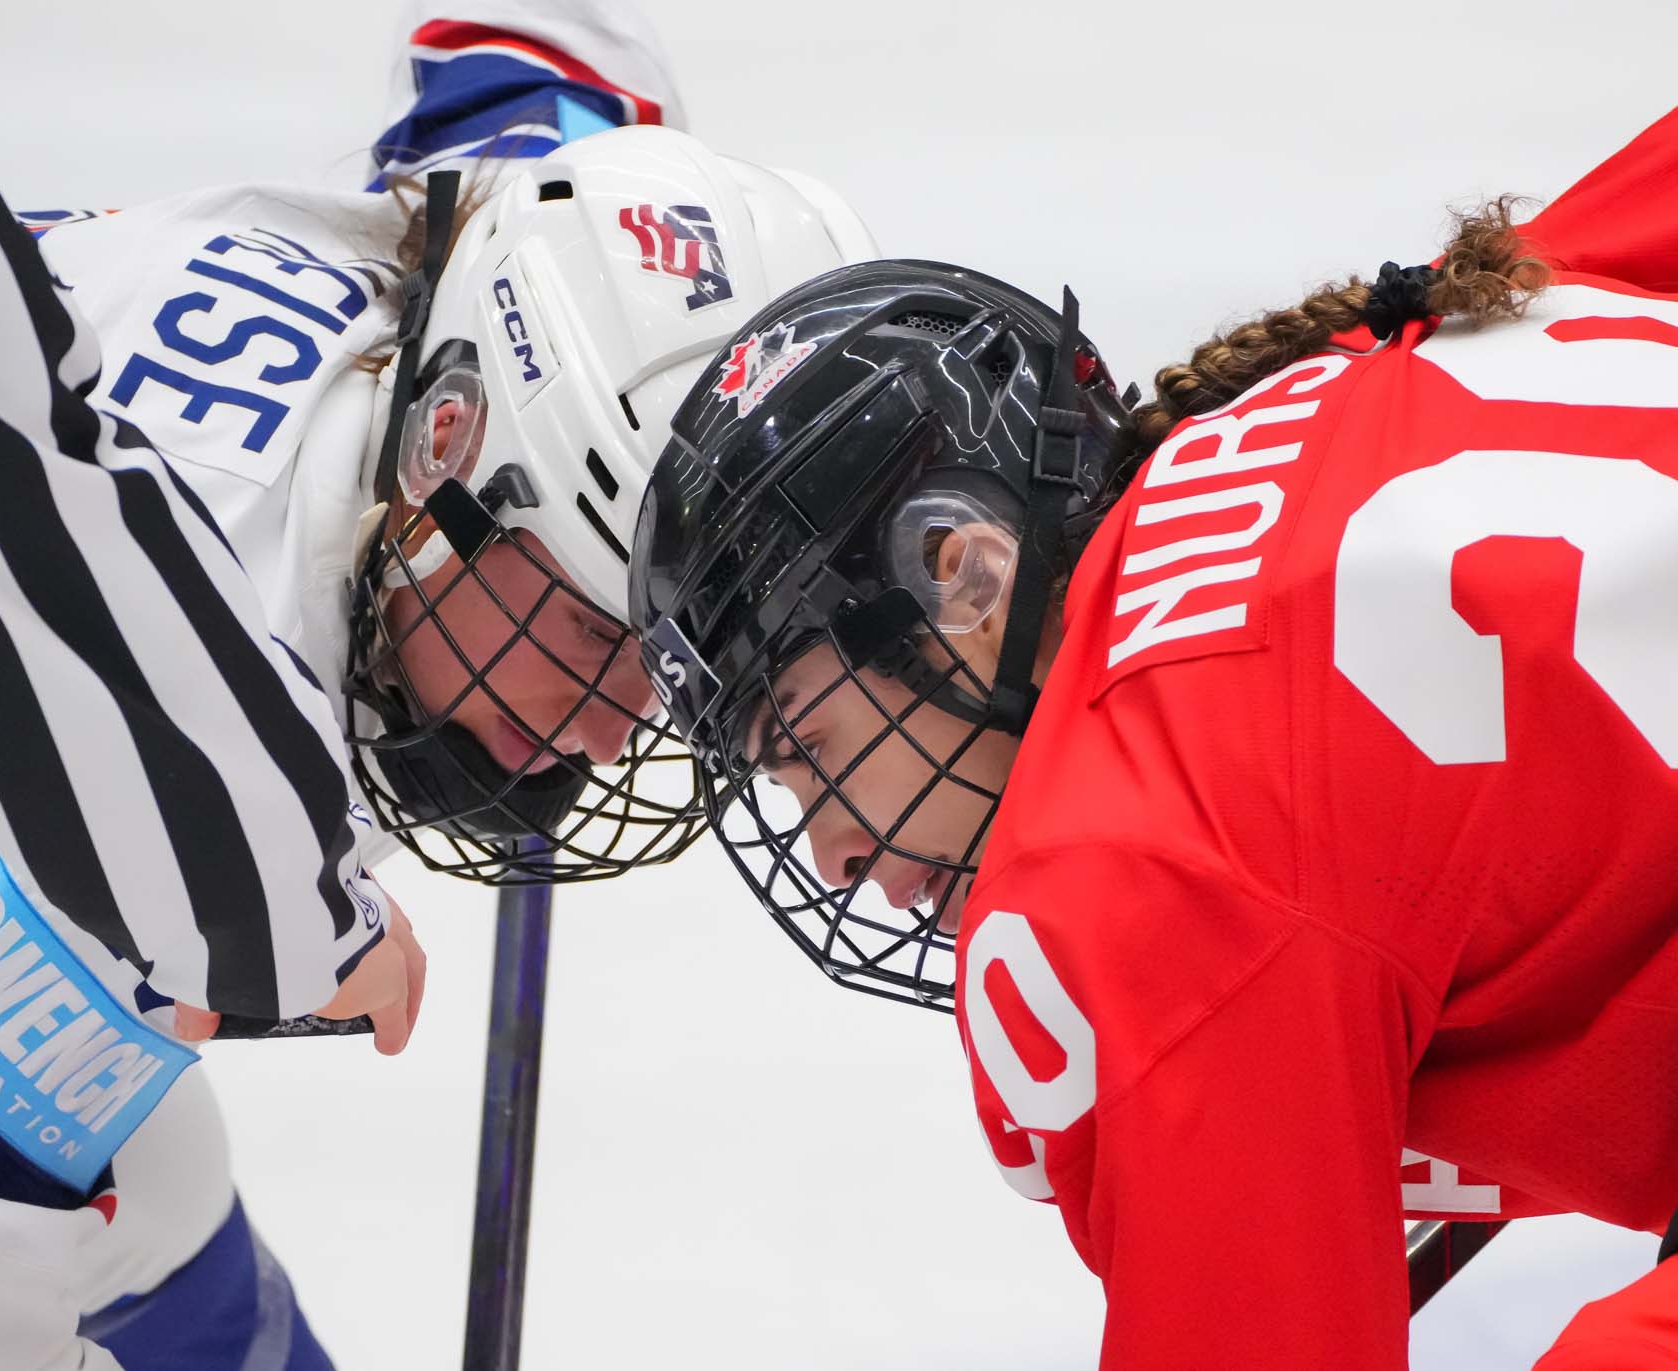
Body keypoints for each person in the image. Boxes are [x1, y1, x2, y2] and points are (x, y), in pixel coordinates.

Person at [0, 4, 874, 1366]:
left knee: (153, 1175)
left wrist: (624, 182)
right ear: (446, 450)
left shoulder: (465, 272)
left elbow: (515, 66)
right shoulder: (204, 680)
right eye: (593, 624)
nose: (616, 726)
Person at [627, 108, 1678, 1368]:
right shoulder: (1354, 367)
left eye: (805, 740)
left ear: (956, 574)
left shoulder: (1124, 871)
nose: (833, 851)